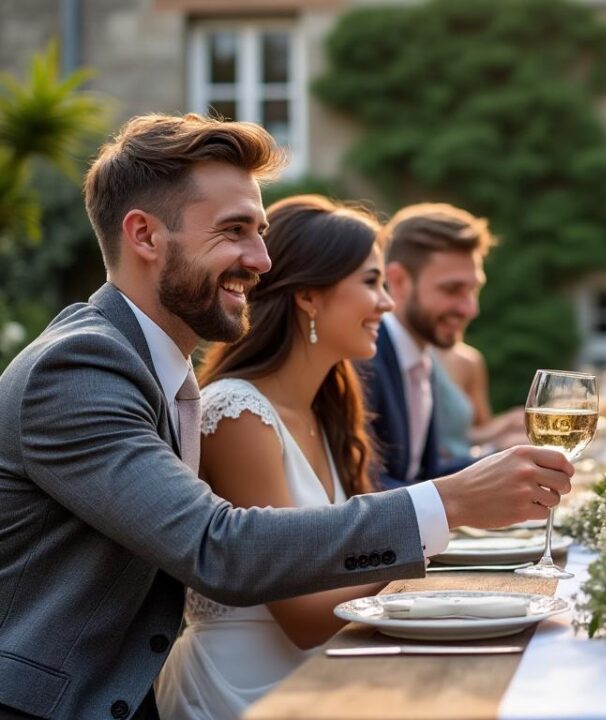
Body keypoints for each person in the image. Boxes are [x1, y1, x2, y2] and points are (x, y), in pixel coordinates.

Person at [0, 114, 573, 719]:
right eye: (235, 231)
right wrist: (446, 502)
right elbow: (216, 547)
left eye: (262, 231)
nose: (263, 260)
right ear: (144, 235)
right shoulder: (78, 369)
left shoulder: (159, 371)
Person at [156, 195, 398, 716]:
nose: (387, 303)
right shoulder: (236, 414)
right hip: (241, 691)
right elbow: (305, 615)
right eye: (371, 282)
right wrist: (430, 531)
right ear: (310, 295)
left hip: (315, 677)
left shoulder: (325, 411)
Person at [364, 203, 494, 489]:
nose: (470, 309)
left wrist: (509, 460)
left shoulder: (420, 357)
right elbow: (364, 487)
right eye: (452, 290)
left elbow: (424, 477)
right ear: (398, 280)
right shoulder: (364, 362)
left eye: (474, 290)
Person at [434, 340, 527, 460]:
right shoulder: (417, 357)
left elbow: (471, 433)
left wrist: (508, 423)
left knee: (522, 442)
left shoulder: (469, 360)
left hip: (463, 459)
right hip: (447, 467)